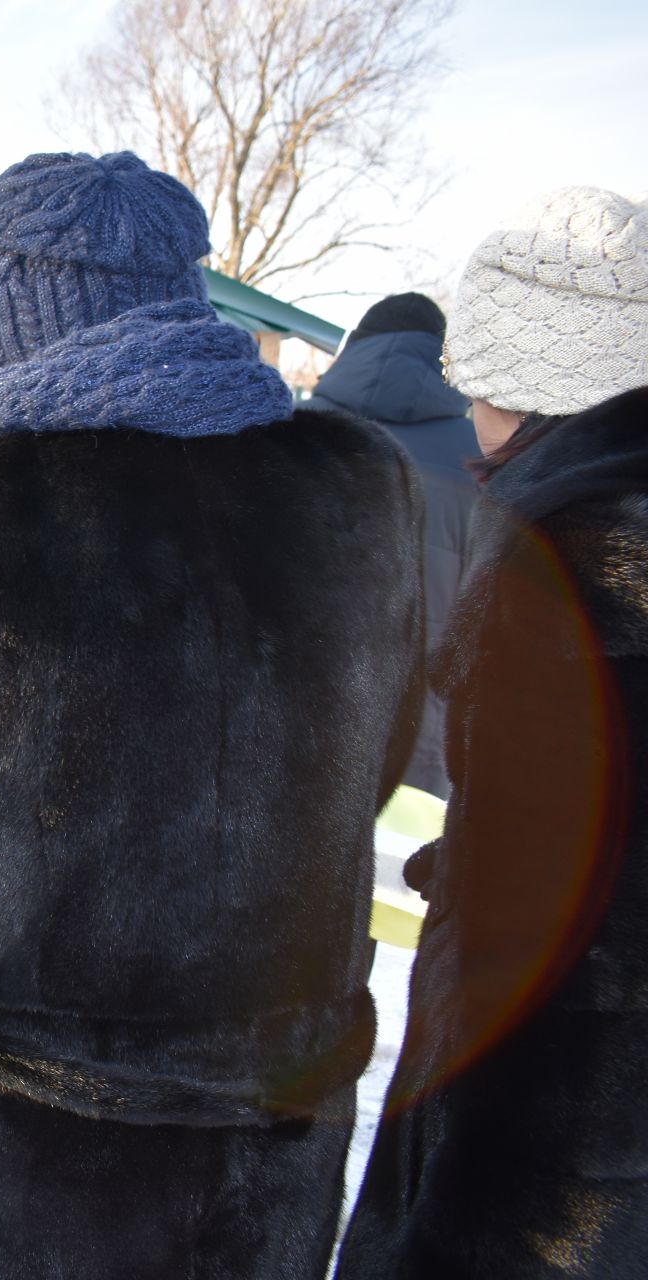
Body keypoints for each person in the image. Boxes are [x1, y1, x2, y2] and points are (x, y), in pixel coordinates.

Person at [0, 152, 424, 1277]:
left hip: (27, 1151)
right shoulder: (358, 485)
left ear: (7, 310)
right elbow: (369, 762)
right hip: (283, 1131)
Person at [337, 187, 648, 1278]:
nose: (464, 408)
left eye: (478, 379)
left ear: (529, 381)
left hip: (556, 1155)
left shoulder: (566, 564)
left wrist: (460, 1228)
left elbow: (549, 949)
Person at [311, 293, 479, 798]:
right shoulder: (482, 466)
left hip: (288, 725)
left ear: (355, 346)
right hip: (418, 742)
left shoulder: (281, 430)